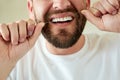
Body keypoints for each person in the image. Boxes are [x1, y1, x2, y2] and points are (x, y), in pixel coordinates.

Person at [0, 0, 120, 80]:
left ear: (87, 2)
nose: (61, 4)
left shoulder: (117, 49)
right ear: (31, 8)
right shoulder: (13, 65)